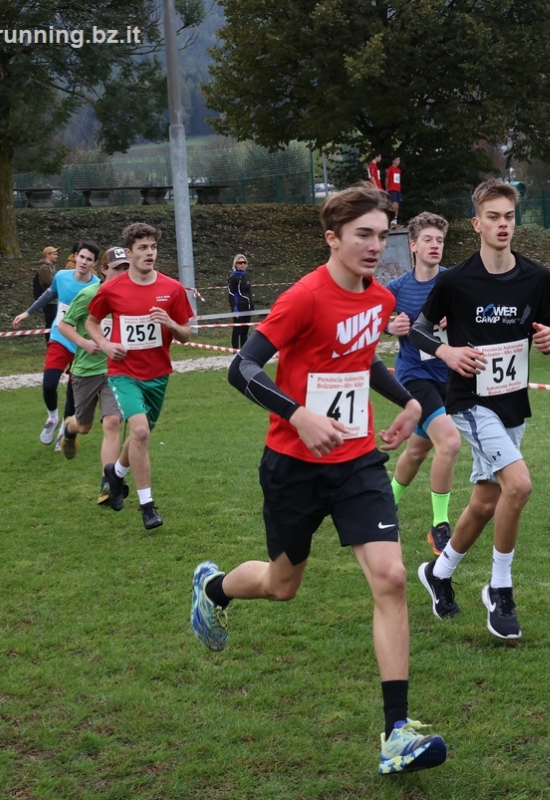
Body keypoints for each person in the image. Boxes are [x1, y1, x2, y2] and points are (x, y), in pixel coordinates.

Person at [189, 185, 447, 775]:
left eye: (383, 236)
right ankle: (214, 589)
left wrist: (408, 401)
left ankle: (396, 734)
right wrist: (297, 413)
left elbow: (366, 360)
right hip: (294, 466)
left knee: (392, 577)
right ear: (332, 237)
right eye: (364, 234)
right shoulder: (303, 297)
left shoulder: (380, 298)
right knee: (282, 585)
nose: (375, 246)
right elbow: (241, 366)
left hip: (357, 463)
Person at [409, 178, 550, 639]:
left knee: (485, 500)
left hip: (513, 403)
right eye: (493, 217)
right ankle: (500, 589)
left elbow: (546, 333)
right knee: (519, 485)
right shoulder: (455, 280)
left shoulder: (535, 277)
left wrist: (549, 340)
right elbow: (417, 331)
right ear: (476, 224)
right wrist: (447, 353)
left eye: (509, 217)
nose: (502, 225)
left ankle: (439, 571)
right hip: (470, 402)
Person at [85, 223, 194, 530]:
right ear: (130, 253)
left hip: (158, 375)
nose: (149, 253)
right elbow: (92, 322)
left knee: (139, 435)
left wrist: (170, 323)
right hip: (124, 372)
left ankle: (116, 474)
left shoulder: (172, 289)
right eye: (143, 248)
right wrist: (106, 345)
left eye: (153, 247)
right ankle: (147, 506)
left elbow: (186, 335)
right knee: (141, 433)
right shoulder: (112, 289)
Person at [385, 212, 461, 556]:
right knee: (449, 442)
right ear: (412, 245)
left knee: (417, 451)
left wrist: (455, 322)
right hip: (414, 377)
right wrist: (390, 327)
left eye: (440, 240)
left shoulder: (455, 281)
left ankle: (385, 505)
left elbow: (477, 322)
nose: (435, 246)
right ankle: (440, 526)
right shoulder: (397, 289)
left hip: (450, 377)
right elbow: (371, 320)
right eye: (428, 240)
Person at [57, 247, 130, 504]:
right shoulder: (89, 294)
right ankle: (69, 427)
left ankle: (108, 484)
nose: (122, 273)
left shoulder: (131, 296)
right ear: (104, 270)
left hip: (115, 370)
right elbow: (63, 325)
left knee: (112, 422)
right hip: (86, 369)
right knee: (85, 426)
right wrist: (84, 343)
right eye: (117, 268)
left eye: (126, 268)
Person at [12, 242, 100, 447]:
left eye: (89, 259)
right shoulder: (61, 276)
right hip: (60, 338)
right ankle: (52, 417)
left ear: (94, 263)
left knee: (72, 391)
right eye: (82, 257)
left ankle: (64, 432)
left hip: (82, 345)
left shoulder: (96, 286)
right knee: (49, 383)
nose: (84, 262)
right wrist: (26, 313)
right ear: (75, 257)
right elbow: (49, 295)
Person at [34, 246, 59, 342]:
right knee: (50, 324)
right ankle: (50, 344)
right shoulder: (44, 268)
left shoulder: (51, 267)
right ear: (48, 255)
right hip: (49, 301)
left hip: (55, 300)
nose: (57, 256)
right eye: (54, 254)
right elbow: (53, 283)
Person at [228, 254, 253, 350]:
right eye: (240, 263)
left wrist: (252, 306)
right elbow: (231, 293)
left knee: (245, 331)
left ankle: (243, 352)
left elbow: (248, 292)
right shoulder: (233, 277)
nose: (242, 264)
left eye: (244, 262)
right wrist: (235, 309)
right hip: (239, 306)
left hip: (247, 306)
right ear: (236, 264)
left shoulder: (246, 276)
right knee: (237, 330)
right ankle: (235, 353)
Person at [385, 156, 402, 226]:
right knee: (393, 204)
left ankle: (395, 220)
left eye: (399, 160)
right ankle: (391, 220)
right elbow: (387, 179)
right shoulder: (390, 169)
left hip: (398, 189)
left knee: (397, 205)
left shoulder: (399, 170)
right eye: (397, 160)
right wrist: (387, 188)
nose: (398, 162)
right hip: (392, 189)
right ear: (393, 161)